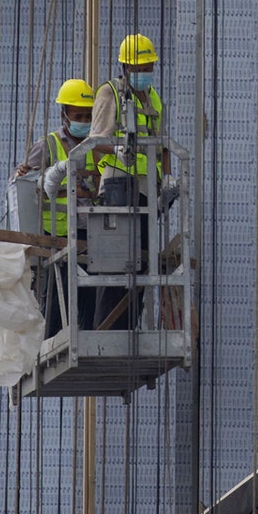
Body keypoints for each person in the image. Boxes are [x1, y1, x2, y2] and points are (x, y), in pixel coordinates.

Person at [89, 34, 174, 329]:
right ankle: (106, 330)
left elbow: (163, 145)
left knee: (142, 263)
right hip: (118, 186)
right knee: (116, 263)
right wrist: (118, 148)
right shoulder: (110, 93)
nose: (144, 73)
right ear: (125, 67)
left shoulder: (153, 98)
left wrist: (167, 180)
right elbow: (95, 142)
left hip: (146, 189)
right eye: (139, 68)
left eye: (148, 66)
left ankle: (128, 330)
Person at [13, 78, 100, 335]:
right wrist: (22, 173)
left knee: (91, 295)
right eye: (78, 115)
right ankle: (48, 339)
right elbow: (24, 185)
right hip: (57, 235)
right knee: (57, 295)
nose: (84, 121)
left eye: (88, 115)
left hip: (90, 231)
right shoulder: (48, 145)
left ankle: (87, 338)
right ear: (64, 114)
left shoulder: (98, 146)